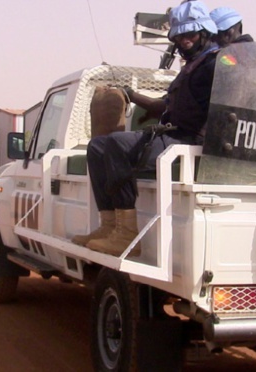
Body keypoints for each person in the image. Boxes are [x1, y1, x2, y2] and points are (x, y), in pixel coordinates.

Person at [72, 1, 219, 256]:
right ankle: (109, 226)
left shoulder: (215, 65)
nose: (184, 41)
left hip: (189, 140)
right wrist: (137, 99)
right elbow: (168, 103)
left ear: (205, 33)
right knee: (97, 147)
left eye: (191, 35)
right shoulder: (191, 67)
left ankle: (128, 235)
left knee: (118, 144)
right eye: (180, 36)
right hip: (171, 134)